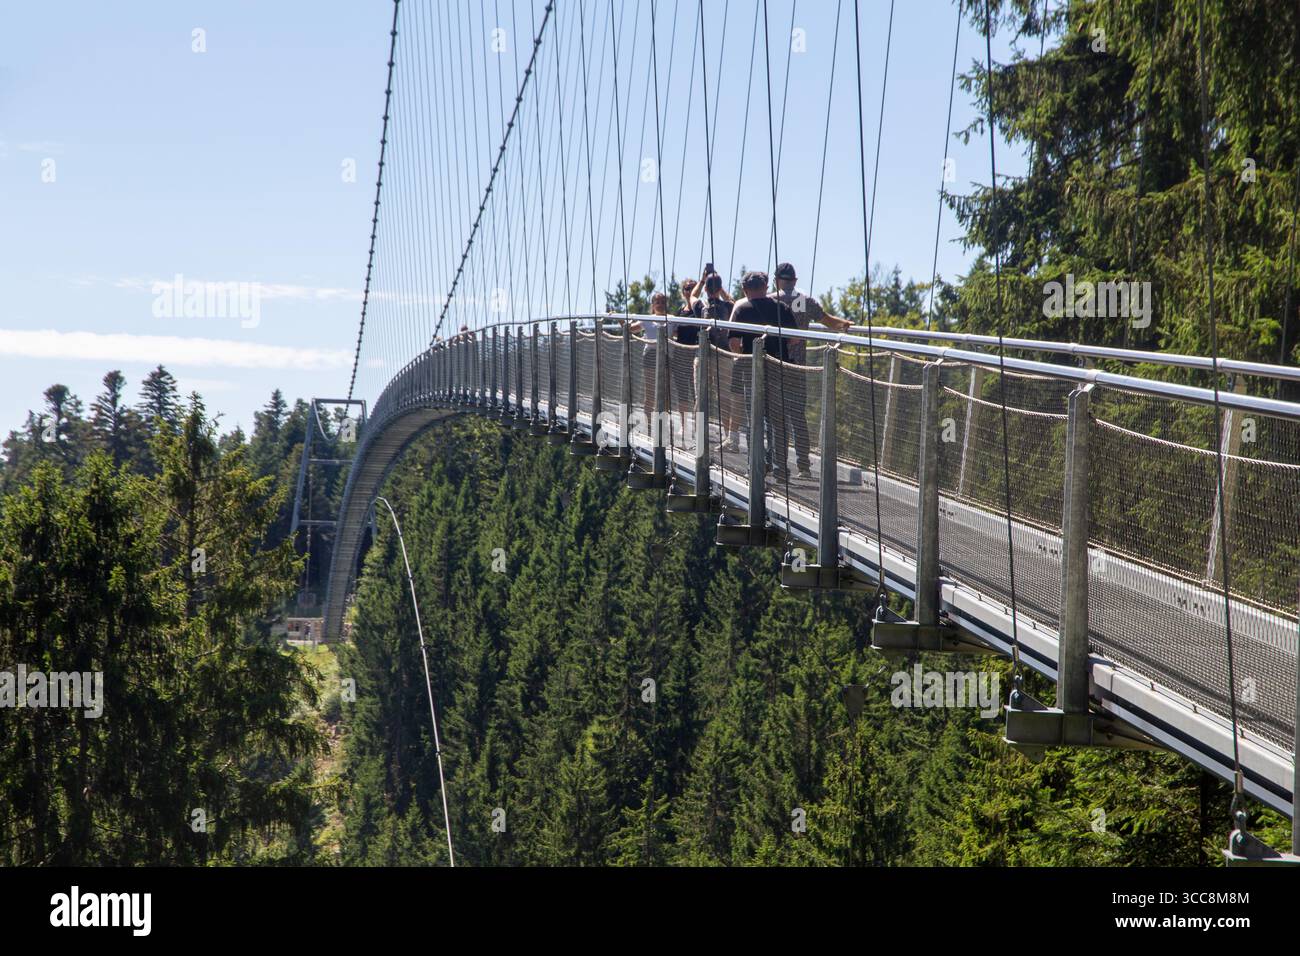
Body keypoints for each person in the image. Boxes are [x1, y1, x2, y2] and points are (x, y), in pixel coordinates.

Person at [729, 271, 810, 479]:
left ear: (745, 290)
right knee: (777, 420)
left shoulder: (742, 310)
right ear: (766, 288)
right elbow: (794, 339)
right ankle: (780, 468)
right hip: (778, 369)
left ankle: (755, 465)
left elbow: (734, 343)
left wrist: (745, 355)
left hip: (751, 370)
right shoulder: (781, 308)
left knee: (754, 419)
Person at [772, 261, 849, 364]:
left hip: (772, 361)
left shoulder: (770, 300)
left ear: (776, 281)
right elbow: (829, 321)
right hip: (797, 364)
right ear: (795, 281)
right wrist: (845, 323)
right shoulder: (806, 301)